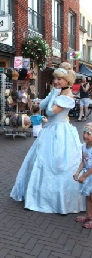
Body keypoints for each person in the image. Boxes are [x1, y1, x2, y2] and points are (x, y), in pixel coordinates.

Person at [10, 62, 85, 214]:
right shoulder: (58, 92)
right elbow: (43, 105)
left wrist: (53, 95)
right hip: (50, 130)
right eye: (55, 78)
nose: (56, 82)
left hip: (60, 132)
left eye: (60, 79)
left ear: (67, 81)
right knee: (38, 161)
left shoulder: (68, 96)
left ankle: (60, 200)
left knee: (59, 164)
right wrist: (52, 94)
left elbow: (51, 112)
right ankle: (37, 194)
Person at [73, 123, 92, 228]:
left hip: (90, 175)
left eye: (88, 133)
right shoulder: (84, 146)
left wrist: (84, 175)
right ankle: (89, 215)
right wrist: (78, 172)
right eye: (84, 132)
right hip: (87, 175)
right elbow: (83, 161)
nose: (85, 135)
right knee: (88, 196)